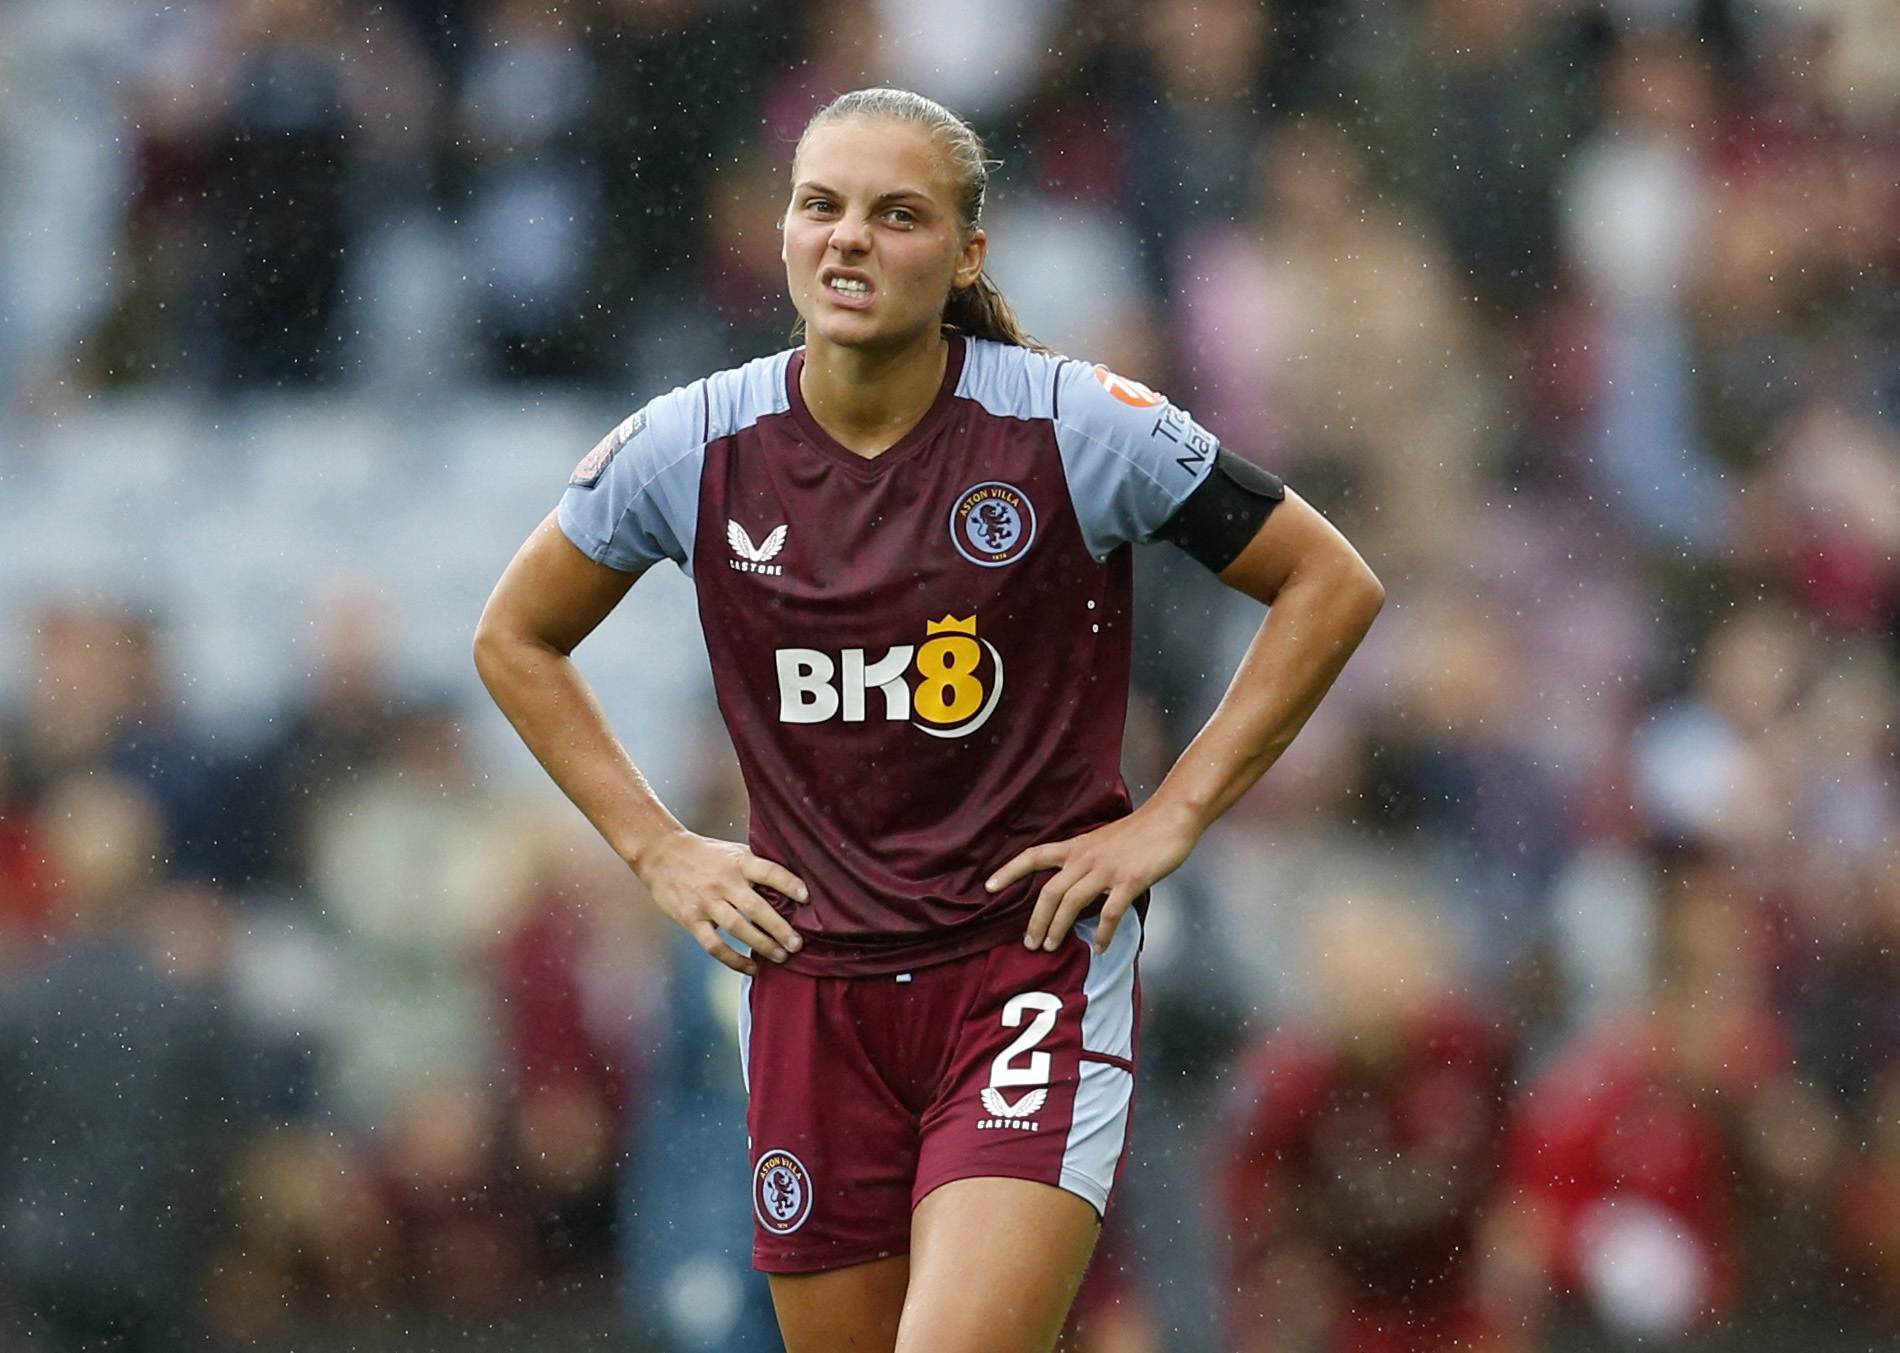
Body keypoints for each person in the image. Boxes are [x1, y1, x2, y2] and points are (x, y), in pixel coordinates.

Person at [474, 87, 1385, 1353]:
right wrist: (660, 849)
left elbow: (1327, 581)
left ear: (966, 255)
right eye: (820, 206)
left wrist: (1169, 819)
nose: (849, 238)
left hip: (1020, 971)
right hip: (811, 989)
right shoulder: (693, 444)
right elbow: (513, 637)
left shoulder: (1068, 425)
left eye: (896, 215)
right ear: (784, 234)